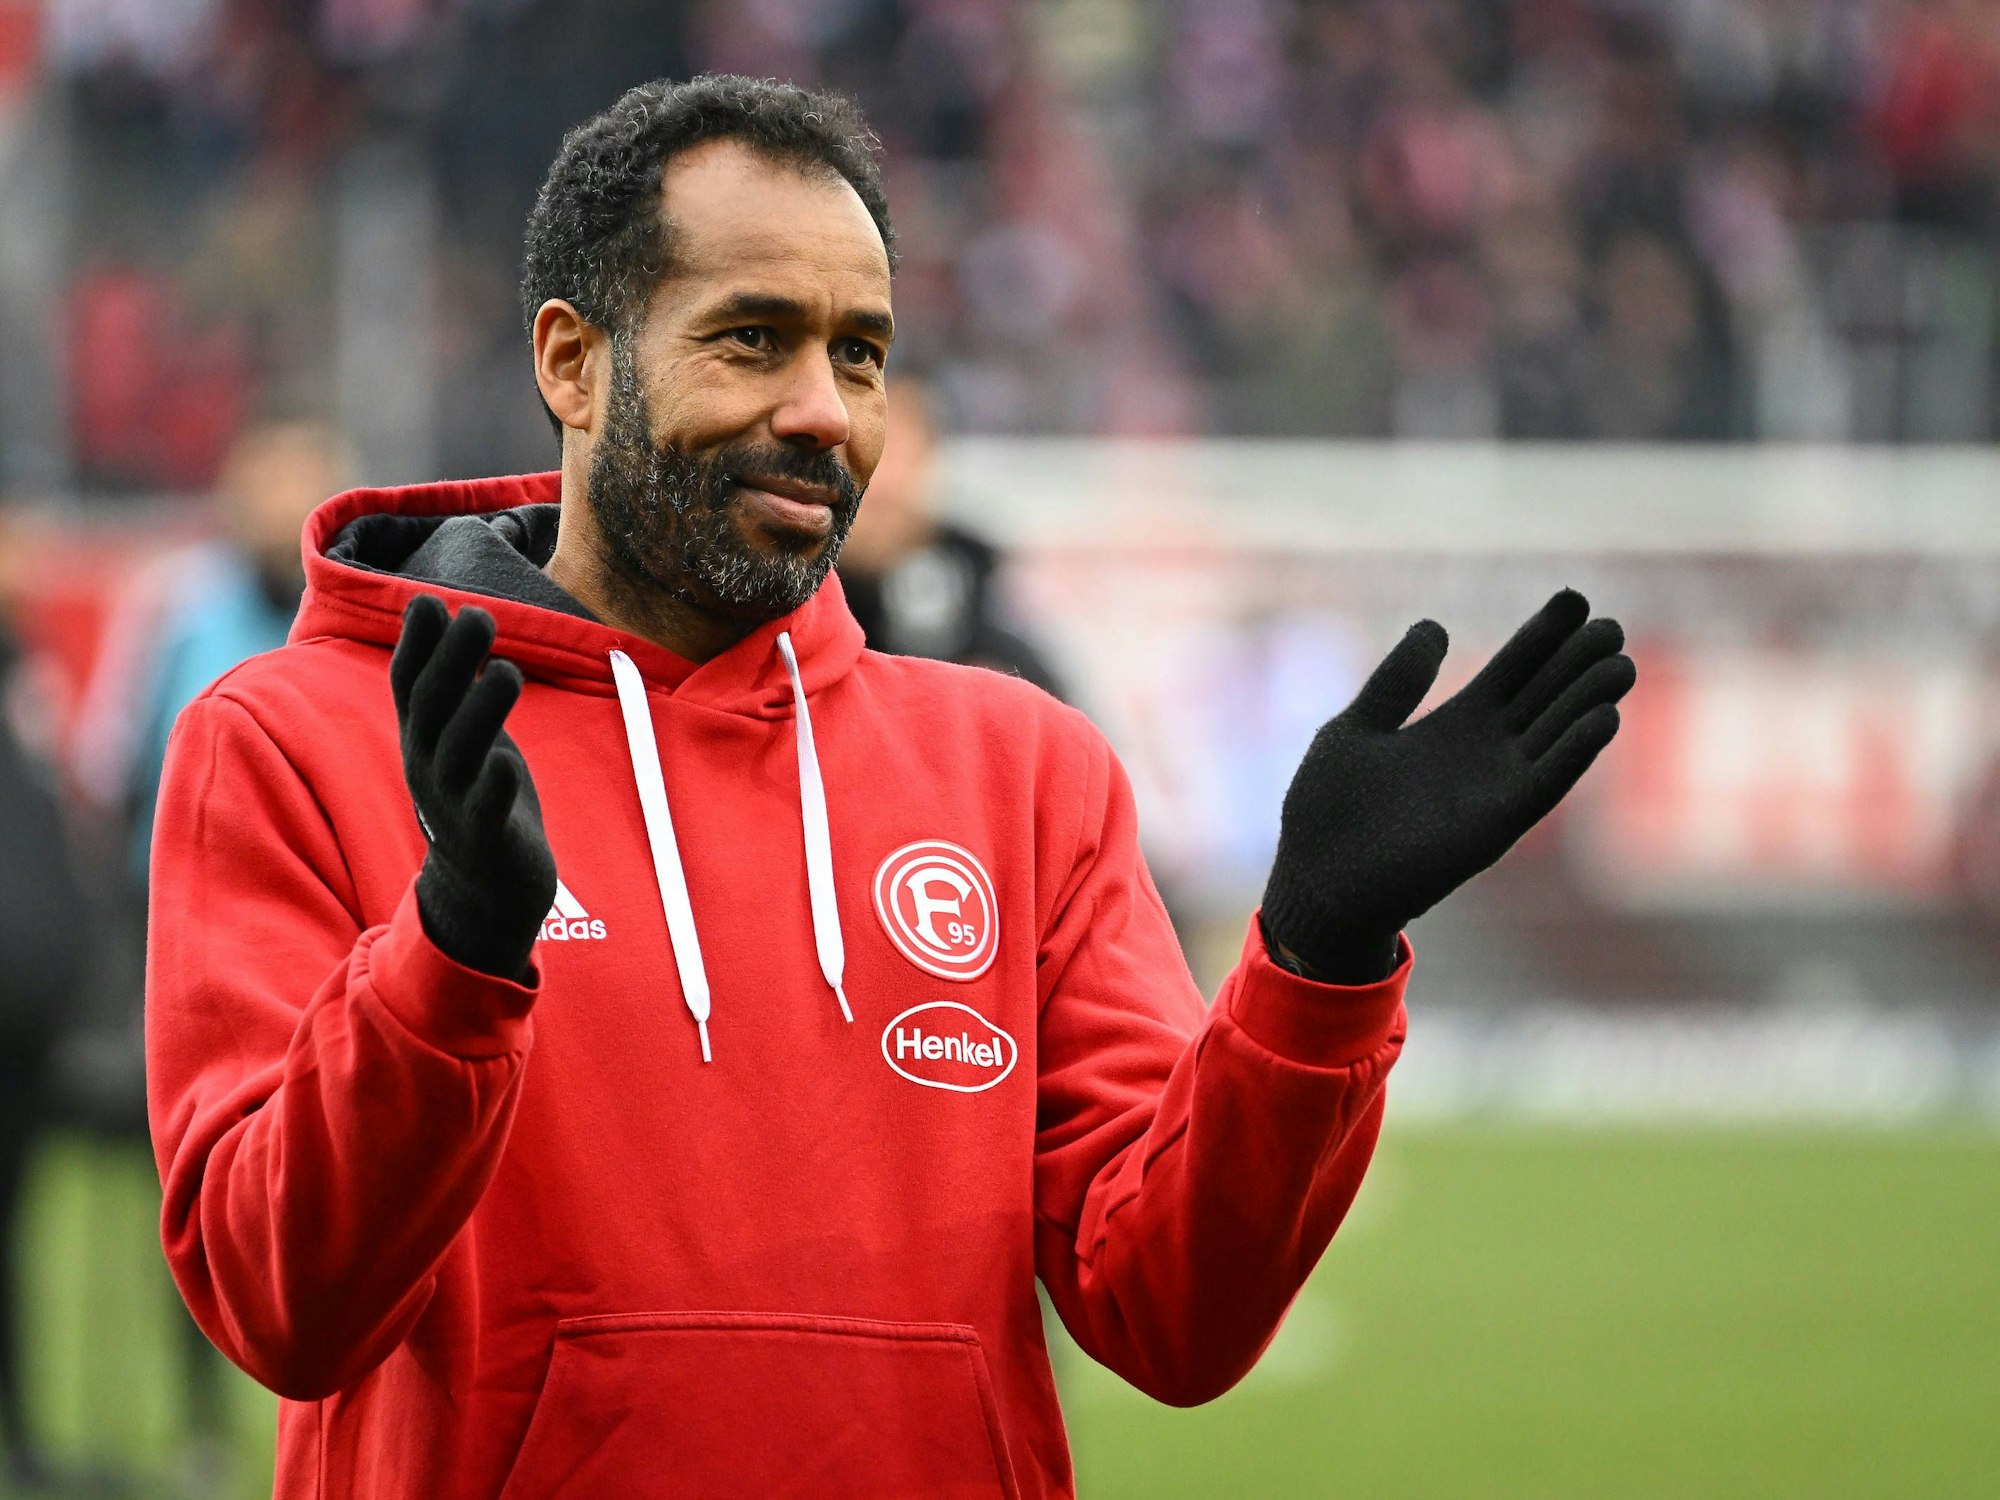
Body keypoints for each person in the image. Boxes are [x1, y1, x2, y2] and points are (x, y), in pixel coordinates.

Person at [145, 76, 1634, 1499]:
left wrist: (1316, 962)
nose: (825, 411)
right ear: (570, 360)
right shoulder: (297, 734)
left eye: (860, 354)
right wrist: (451, 957)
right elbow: (282, 1307)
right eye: (753, 339)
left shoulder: (1023, 764)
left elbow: (1171, 1315)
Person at [837, 376, 1065, 696]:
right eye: (858, 446)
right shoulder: (787, 592)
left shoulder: (980, 581)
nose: (882, 477)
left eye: (897, 449)